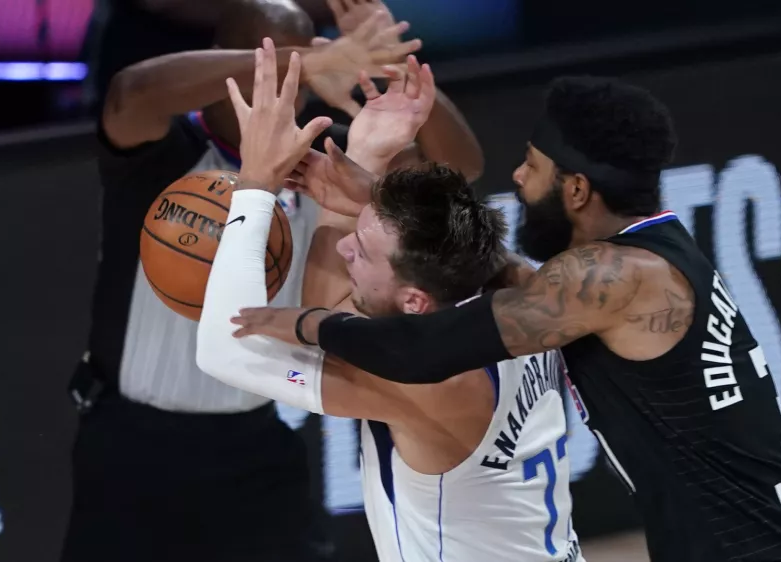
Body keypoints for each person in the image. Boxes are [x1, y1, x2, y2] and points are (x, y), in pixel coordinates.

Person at [233, 76, 781, 561]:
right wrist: (378, 202)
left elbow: (422, 350)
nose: (518, 177)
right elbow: (516, 278)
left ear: (575, 190)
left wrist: (301, 323)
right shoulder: (647, 255)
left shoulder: (615, 275)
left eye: (532, 165)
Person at [63, 3, 466, 561]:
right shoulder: (162, 151)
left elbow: (459, 172)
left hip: (253, 444)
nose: (281, 89)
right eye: (268, 66)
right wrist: (308, 58)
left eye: (297, 75)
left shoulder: (325, 159)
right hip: (131, 446)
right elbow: (130, 92)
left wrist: (395, 68)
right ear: (218, 63)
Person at [194, 46, 584, 562]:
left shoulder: (428, 381)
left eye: (362, 248)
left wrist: (256, 183)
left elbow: (223, 349)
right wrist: (365, 156)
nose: (343, 247)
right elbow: (344, 306)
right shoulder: (522, 297)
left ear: (415, 301)